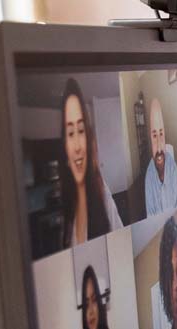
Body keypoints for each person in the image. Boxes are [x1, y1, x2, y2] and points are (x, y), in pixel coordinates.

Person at [60, 78, 122, 249]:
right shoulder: (67, 210)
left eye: (81, 131)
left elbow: (120, 241)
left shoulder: (102, 193)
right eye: (70, 133)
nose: (78, 147)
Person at [144, 98, 177, 215]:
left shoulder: (173, 168)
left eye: (161, 134)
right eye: (155, 136)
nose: (159, 148)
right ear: (150, 139)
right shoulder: (149, 177)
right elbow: (150, 217)